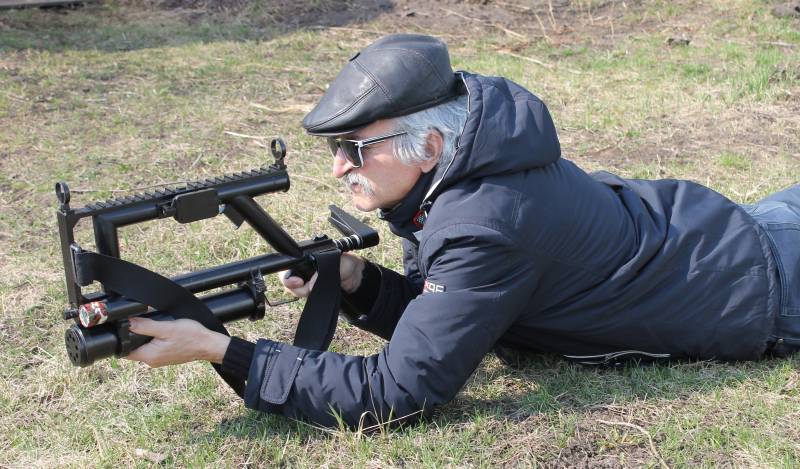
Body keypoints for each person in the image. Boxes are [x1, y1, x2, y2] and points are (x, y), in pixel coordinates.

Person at [126, 34, 800, 429]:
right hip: (730, 230)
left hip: (759, 286)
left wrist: (222, 351)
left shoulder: (484, 222)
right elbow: (454, 311)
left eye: (356, 149)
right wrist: (360, 283)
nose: (338, 167)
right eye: (334, 147)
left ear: (430, 143)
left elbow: (397, 389)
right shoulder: (475, 156)